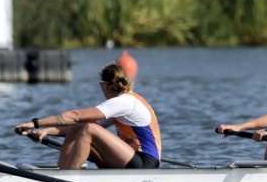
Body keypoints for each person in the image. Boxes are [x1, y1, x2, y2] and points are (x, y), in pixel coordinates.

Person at [14, 63, 161, 169]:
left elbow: (75, 115)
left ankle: (67, 178)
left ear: (104, 85)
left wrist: (36, 123)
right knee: (80, 128)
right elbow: (76, 125)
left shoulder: (124, 102)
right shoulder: (122, 103)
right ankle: (63, 171)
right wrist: (47, 131)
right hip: (130, 159)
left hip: (144, 162)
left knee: (87, 128)